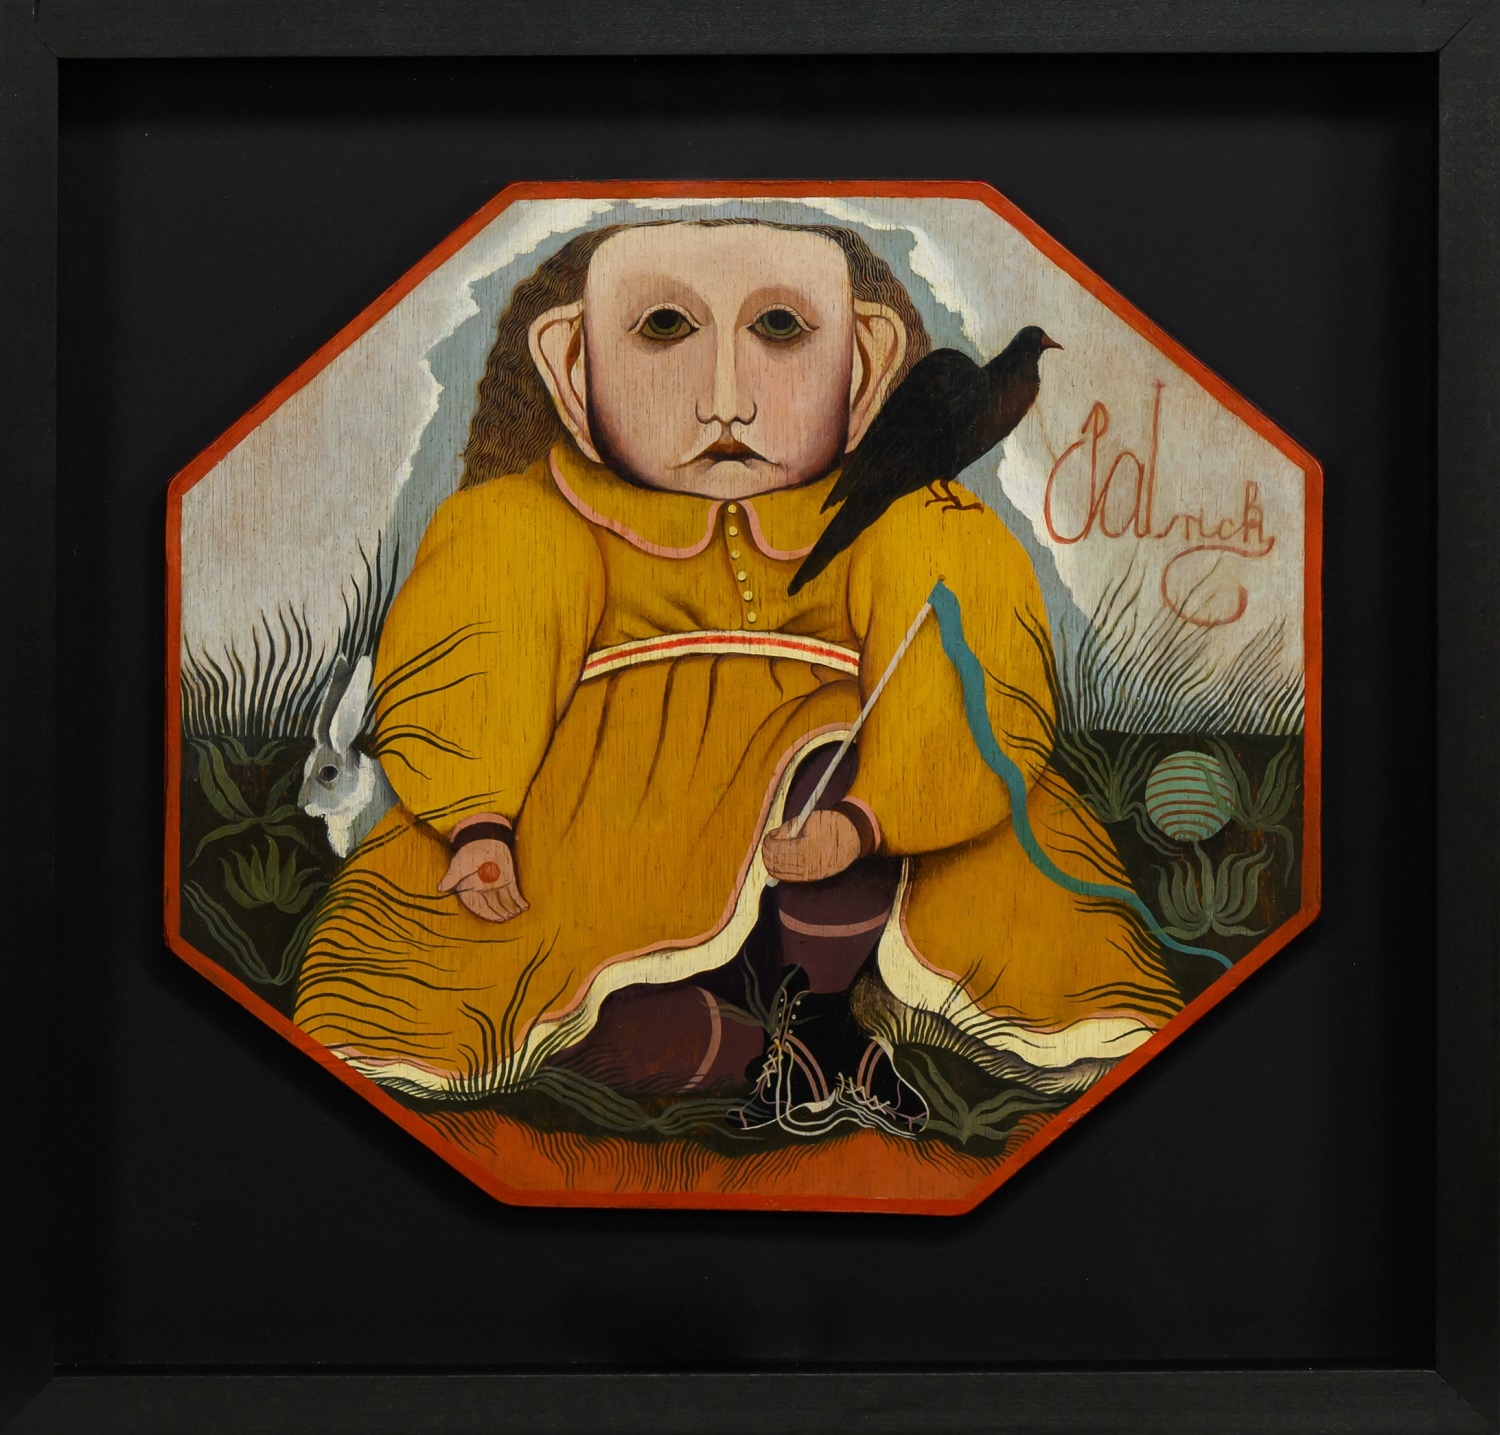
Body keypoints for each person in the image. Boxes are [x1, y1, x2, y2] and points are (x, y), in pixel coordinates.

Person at [293, 218, 1182, 1128]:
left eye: (781, 328)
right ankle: (735, 1043)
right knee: (527, 976)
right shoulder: (534, 519)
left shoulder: (906, 519)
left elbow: (969, 654)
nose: (727, 402)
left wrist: (869, 815)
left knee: (849, 764)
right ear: (571, 362)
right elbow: (479, 651)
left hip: (847, 834)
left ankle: (827, 1009)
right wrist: (479, 816)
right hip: (610, 832)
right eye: (665, 327)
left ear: (865, 361)